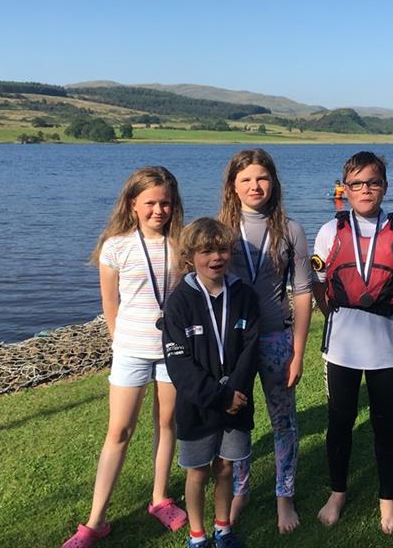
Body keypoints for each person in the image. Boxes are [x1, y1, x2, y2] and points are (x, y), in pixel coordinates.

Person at [63, 166, 187, 548]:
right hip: (131, 352)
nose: (158, 210)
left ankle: (159, 498)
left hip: (173, 351)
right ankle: (95, 520)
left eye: (166, 202)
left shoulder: (182, 244)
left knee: (167, 425)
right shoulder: (115, 247)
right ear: (133, 204)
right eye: (150, 202)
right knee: (119, 431)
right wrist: (119, 342)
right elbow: (110, 303)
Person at [311, 151, 393, 534]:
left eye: (373, 182)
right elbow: (317, 280)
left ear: (384, 187)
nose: (365, 190)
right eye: (357, 183)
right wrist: (331, 314)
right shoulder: (330, 231)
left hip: (385, 350)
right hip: (341, 349)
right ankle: (338, 491)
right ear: (345, 188)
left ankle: (387, 499)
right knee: (339, 423)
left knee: (385, 425)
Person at [218, 149, 313, 533]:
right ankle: (239, 489)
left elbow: (303, 292)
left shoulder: (291, 230)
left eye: (262, 178)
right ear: (233, 186)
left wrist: (299, 351)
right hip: (234, 342)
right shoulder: (219, 229)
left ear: (273, 182)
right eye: (246, 179)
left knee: (283, 422)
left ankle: (284, 495)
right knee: (236, 418)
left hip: (276, 338)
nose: (255, 186)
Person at [162, 218, 260, 548]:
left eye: (222, 249)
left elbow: (251, 347)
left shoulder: (244, 294)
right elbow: (179, 365)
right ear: (190, 256)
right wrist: (219, 396)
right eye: (206, 251)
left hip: (238, 400)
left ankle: (223, 529)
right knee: (198, 472)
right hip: (198, 406)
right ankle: (197, 535)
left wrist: (235, 391)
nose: (215, 257)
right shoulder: (178, 303)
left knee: (225, 468)